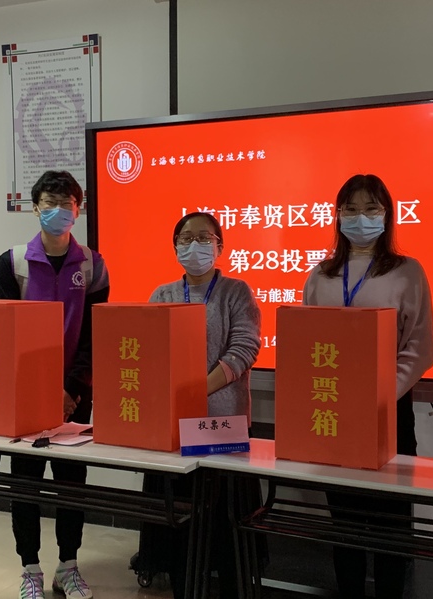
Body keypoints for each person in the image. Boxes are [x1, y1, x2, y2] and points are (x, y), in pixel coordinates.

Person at [302, 174, 433, 598]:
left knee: (390, 524)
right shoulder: (320, 275)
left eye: (371, 209)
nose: (361, 218)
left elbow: (420, 347)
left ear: (387, 215)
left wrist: (378, 395)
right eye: (351, 209)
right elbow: (307, 342)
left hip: (388, 413)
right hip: (333, 413)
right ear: (338, 216)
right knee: (344, 522)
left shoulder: (407, 272)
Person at [0, 171, 109, 599]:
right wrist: (42, 389)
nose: (58, 210)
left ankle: (68, 566)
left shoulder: (93, 264)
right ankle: (30, 569)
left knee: (71, 483)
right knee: (25, 483)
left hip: (76, 394)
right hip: (25, 392)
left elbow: (95, 335)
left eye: (66, 203)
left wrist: (72, 388)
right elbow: (8, 332)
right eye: (49, 202)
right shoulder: (13, 262)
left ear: (79, 210)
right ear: (35, 207)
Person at [148, 211, 262, 598]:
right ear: (175, 246)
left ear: (219, 246)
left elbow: (244, 349)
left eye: (203, 237)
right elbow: (149, 352)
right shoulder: (162, 295)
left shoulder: (236, 291)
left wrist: (195, 390)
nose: (193, 245)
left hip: (223, 424)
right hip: (174, 426)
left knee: (227, 519)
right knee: (180, 517)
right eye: (185, 238)